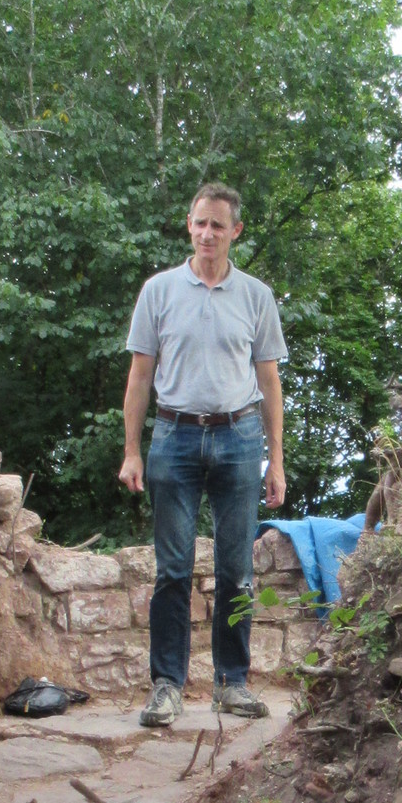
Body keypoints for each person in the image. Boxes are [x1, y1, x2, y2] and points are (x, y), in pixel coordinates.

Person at [119, 182, 287, 728]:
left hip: (239, 438)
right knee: (172, 569)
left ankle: (231, 683)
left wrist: (276, 460)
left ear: (235, 230)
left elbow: (269, 381)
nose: (207, 233)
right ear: (188, 226)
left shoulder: (256, 296)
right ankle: (166, 687)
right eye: (199, 223)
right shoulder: (159, 291)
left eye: (218, 224)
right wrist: (131, 451)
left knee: (237, 570)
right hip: (174, 437)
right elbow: (139, 376)